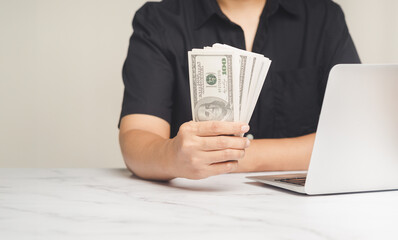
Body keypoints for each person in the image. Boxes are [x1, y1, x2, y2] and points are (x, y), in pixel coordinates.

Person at [119, 0, 361, 181]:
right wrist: (171, 156)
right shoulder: (159, 21)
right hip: (191, 206)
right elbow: (138, 138)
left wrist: (234, 157)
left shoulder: (324, 18)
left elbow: (354, 139)